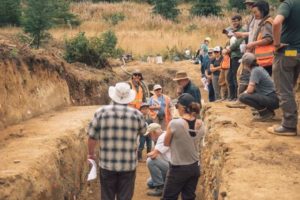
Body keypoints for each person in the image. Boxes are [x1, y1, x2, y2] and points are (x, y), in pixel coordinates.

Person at [87, 82, 146, 200]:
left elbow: (92, 136)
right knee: (125, 197)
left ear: (113, 95)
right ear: (129, 97)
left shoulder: (101, 112)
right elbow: (143, 131)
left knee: (107, 196)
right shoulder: (137, 114)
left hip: (107, 164)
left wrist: (91, 154)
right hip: (128, 165)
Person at [162, 93, 204, 200]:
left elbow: (166, 143)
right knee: (189, 197)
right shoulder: (201, 124)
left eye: (177, 106)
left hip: (178, 167)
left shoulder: (175, 124)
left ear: (182, 107)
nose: (176, 109)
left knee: (169, 197)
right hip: (194, 167)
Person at [267, 0, 300, 136]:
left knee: (284, 89)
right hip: (297, 53)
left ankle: (289, 125)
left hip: (287, 52)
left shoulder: (288, 4)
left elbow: (276, 22)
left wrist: (276, 44)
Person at [239, 53, 279, 121]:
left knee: (243, 97)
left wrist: (244, 93)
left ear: (247, 64)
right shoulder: (258, 68)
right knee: (250, 94)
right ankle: (267, 111)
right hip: (274, 98)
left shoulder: (255, 71)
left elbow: (249, 90)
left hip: (273, 99)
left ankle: (265, 114)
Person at [246, 0, 274, 76]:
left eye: (255, 12)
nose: (254, 15)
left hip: (268, 60)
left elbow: (268, 39)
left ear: (263, 10)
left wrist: (252, 44)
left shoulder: (267, 22)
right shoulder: (263, 22)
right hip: (264, 61)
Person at [144, 123, 171, 197]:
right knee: (150, 183)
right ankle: (166, 184)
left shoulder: (163, 137)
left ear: (153, 133)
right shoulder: (164, 134)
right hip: (171, 166)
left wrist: (148, 154)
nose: (149, 137)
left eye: (150, 135)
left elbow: (153, 155)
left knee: (150, 161)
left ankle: (160, 188)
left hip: (173, 168)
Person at [226, 15, 246, 101]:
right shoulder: (234, 32)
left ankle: (237, 97)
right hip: (232, 56)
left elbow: (238, 42)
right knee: (230, 77)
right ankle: (232, 96)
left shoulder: (242, 31)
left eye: (236, 21)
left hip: (238, 56)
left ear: (240, 21)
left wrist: (229, 48)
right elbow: (230, 43)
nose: (234, 23)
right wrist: (226, 47)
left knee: (236, 77)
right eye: (233, 21)